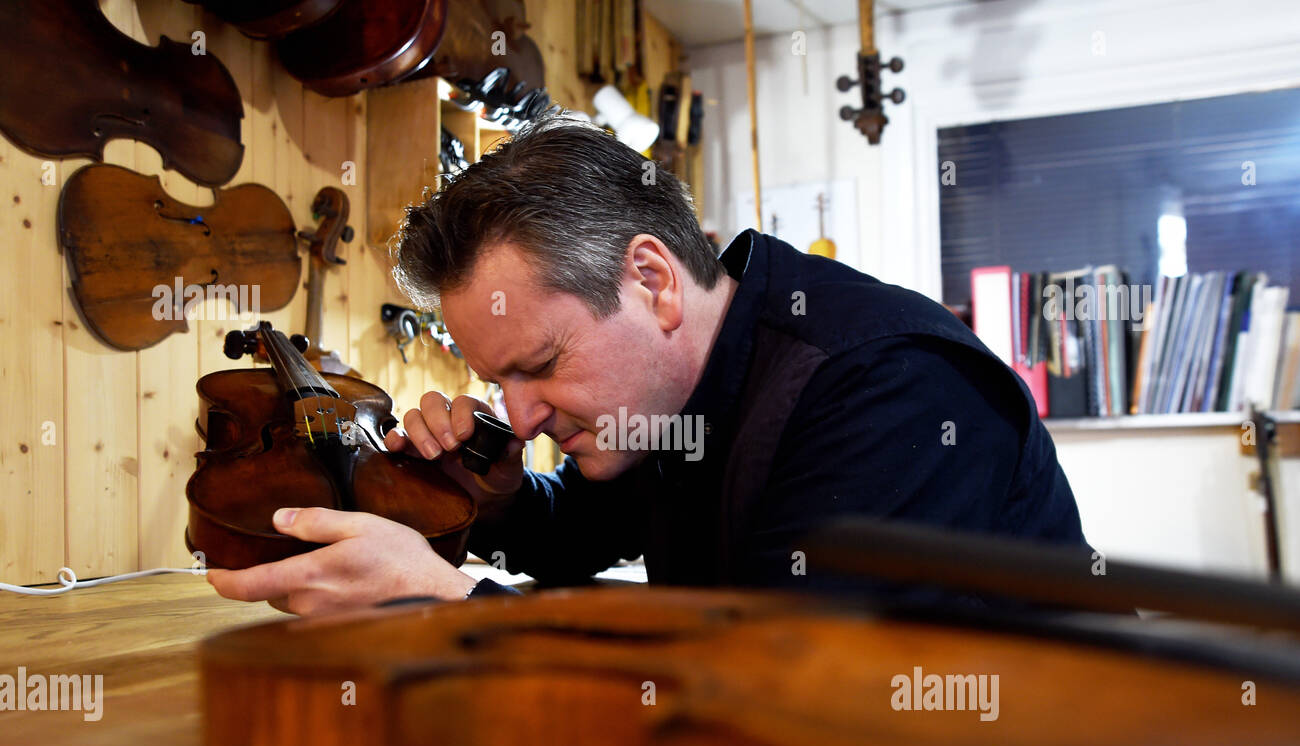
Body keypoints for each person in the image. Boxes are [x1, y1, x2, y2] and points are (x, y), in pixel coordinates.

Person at [208, 115, 1090, 616]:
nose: (518, 417)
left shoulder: (883, 388)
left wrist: (445, 604)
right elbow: (586, 529)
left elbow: (772, 711)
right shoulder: (674, 399)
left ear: (652, 282)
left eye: (541, 363)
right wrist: (496, 491)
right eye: (496, 382)